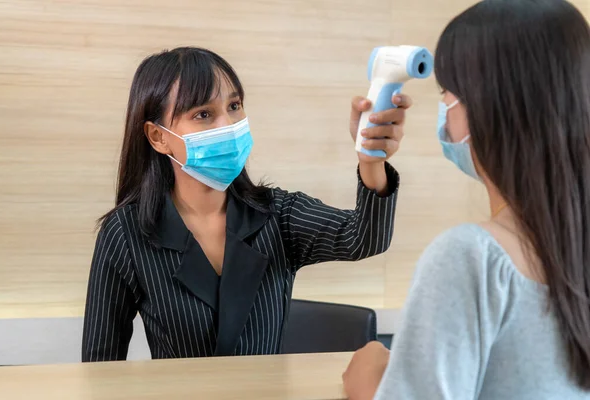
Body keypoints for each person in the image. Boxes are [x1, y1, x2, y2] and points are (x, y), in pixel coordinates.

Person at [82, 46, 411, 361]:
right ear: (158, 137)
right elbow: (101, 365)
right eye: (204, 114)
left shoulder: (277, 215)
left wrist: (371, 160)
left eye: (234, 106)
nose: (227, 125)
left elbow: (365, 238)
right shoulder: (126, 232)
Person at [342, 0, 590, 398]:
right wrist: (371, 168)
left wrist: (368, 384)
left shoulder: (471, 258)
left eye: (447, 95)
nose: (444, 112)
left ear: (491, 107)